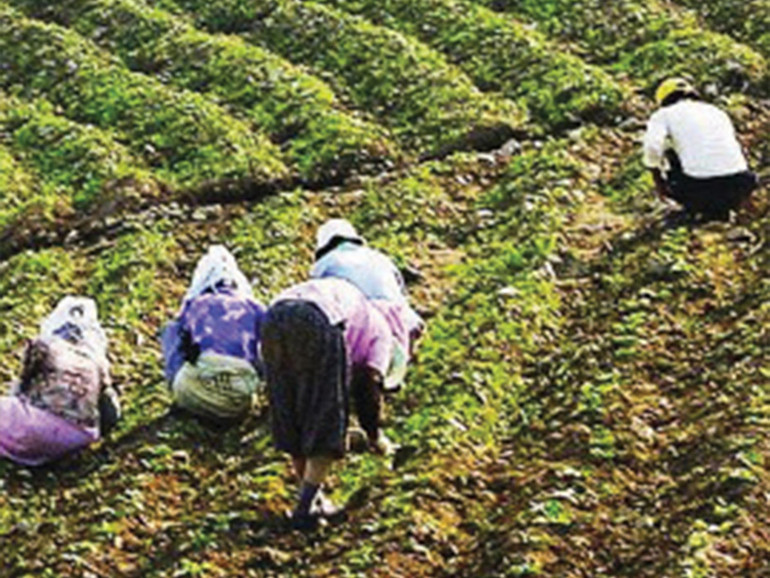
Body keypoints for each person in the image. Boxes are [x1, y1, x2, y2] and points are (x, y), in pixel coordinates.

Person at [261, 277, 395, 529]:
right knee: (326, 413)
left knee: (292, 409)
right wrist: (375, 436)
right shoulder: (381, 332)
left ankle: (313, 499)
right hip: (318, 318)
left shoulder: (358, 308)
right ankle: (304, 509)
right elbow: (369, 384)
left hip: (273, 317)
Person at [0, 297, 120, 466]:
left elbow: (22, 385)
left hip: (36, 424)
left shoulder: (45, 346)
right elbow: (110, 411)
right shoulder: (97, 361)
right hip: (77, 437)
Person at [311, 219, 424, 391]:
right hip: (400, 320)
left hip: (365, 326)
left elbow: (322, 301)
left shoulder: (324, 265)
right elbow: (400, 294)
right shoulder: (379, 257)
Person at [161, 246, 265, 422]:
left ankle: (178, 390)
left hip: (192, 391)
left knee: (171, 329)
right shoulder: (254, 307)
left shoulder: (196, 304)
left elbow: (178, 343)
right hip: (238, 398)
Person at [643, 78, 759, 221]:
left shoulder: (663, 114)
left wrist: (658, 181)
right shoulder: (716, 111)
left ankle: (697, 208)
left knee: (669, 152)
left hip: (703, 189)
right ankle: (731, 207)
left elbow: (652, 147)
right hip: (741, 185)